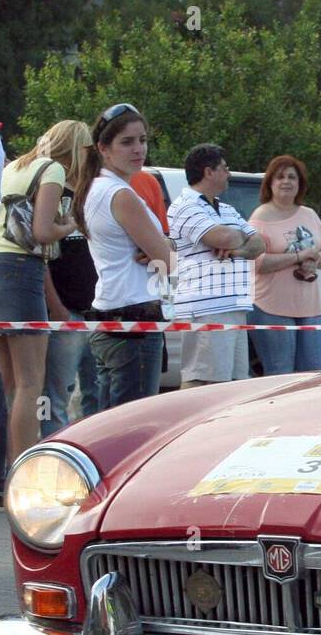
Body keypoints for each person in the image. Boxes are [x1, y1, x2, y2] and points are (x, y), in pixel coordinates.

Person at [74, 103, 178, 409]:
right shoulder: (120, 194)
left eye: (143, 140)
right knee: (134, 424)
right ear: (104, 149)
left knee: (108, 418)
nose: (138, 149)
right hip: (134, 316)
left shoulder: (95, 187)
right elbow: (168, 262)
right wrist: (164, 245)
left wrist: (160, 245)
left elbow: (159, 253)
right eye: (127, 142)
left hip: (110, 312)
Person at [0, 120, 82, 460]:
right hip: (20, 270)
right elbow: (43, 232)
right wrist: (73, 223)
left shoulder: (14, 166)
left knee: (12, 386)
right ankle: (24, 469)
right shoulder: (54, 170)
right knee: (31, 383)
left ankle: (10, 471)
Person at [168, 143, 265, 389]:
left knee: (233, 386)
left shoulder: (227, 208)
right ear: (208, 171)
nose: (229, 173)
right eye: (225, 168)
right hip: (207, 305)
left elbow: (259, 244)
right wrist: (234, 238)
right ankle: (194, 428)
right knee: (202, 381)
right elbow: (224, 238)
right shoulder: (184, 206)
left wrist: (238, 249)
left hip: (234, 304)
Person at [248, 155, 321, 375]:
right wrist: (298, 256)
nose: (286, 182)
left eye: (292, 177)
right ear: (270, 183)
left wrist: (313, 259)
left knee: (319, 373)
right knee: (281, 376)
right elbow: (259, 263)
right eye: (280, 177)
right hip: (271, 308)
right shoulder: (260, 217)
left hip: (311, 308)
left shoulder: (310, 215)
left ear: (300, 183)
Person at [40, 121, 99, 435]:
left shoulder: (93, 193)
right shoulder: (51, 191)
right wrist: (56, 307)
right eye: (86, 148)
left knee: (97, 393)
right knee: (55, 394)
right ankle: (51, 458)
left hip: (99, 310)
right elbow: (42, 255)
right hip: (67, 311)